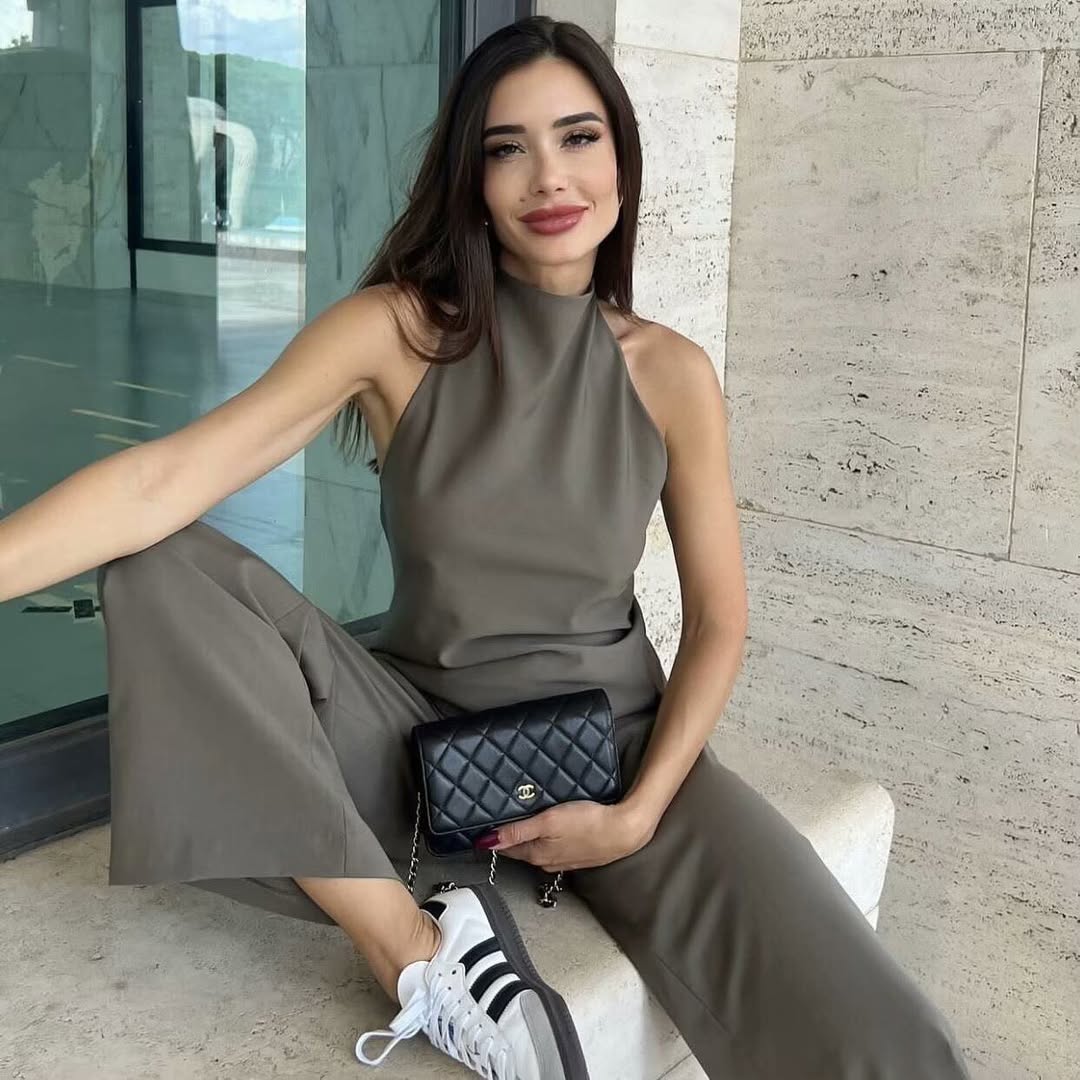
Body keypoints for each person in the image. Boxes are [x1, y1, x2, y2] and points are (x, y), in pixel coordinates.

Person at [0, 15, 973, 1080]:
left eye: (578, 137)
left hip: (620, 748)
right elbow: (159, 484)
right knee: (159, 565)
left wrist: (637, 813)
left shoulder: (671, 374)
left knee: (885, 1036)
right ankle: (416, 952)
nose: (548, 176)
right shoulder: (396, 333)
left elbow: (720, 622)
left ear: (621, 158)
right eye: (508, 148)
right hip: (413, 743)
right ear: (472, 177)